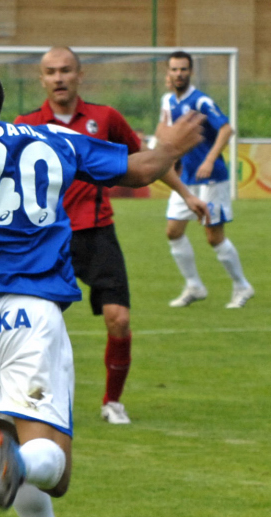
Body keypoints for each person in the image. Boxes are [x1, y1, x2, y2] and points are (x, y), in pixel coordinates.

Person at [0, 61, 202, 517]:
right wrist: (170, 147)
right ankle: (22, 461)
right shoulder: (55, 138)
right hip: (27, 319)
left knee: (6, 437)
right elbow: (142, 169)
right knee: (53, 468)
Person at [14, 47, 210, 425]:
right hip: (46, 239)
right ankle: (30, 401)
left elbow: (147, 161)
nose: (59, 78)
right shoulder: (26, 125)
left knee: (118, 319)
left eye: (66, 70)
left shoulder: (105, 118)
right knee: (37, 326)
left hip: (97, 231)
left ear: (80, 75)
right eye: (51, 72)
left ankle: (112, 403)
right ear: (41, 79)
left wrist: (186, 194)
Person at [161, 50, 255, 309]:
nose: (179, 73)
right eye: (174, 69)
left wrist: (210, 159)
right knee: (173, 231)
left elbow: (226, 128)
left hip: (211, 178)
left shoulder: (201, 101)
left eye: (183, 69)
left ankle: (242, 286)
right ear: (168, 72)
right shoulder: (168, 101)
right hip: (187, 178)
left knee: (213, 236)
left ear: (190, 72)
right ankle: (194, 286)